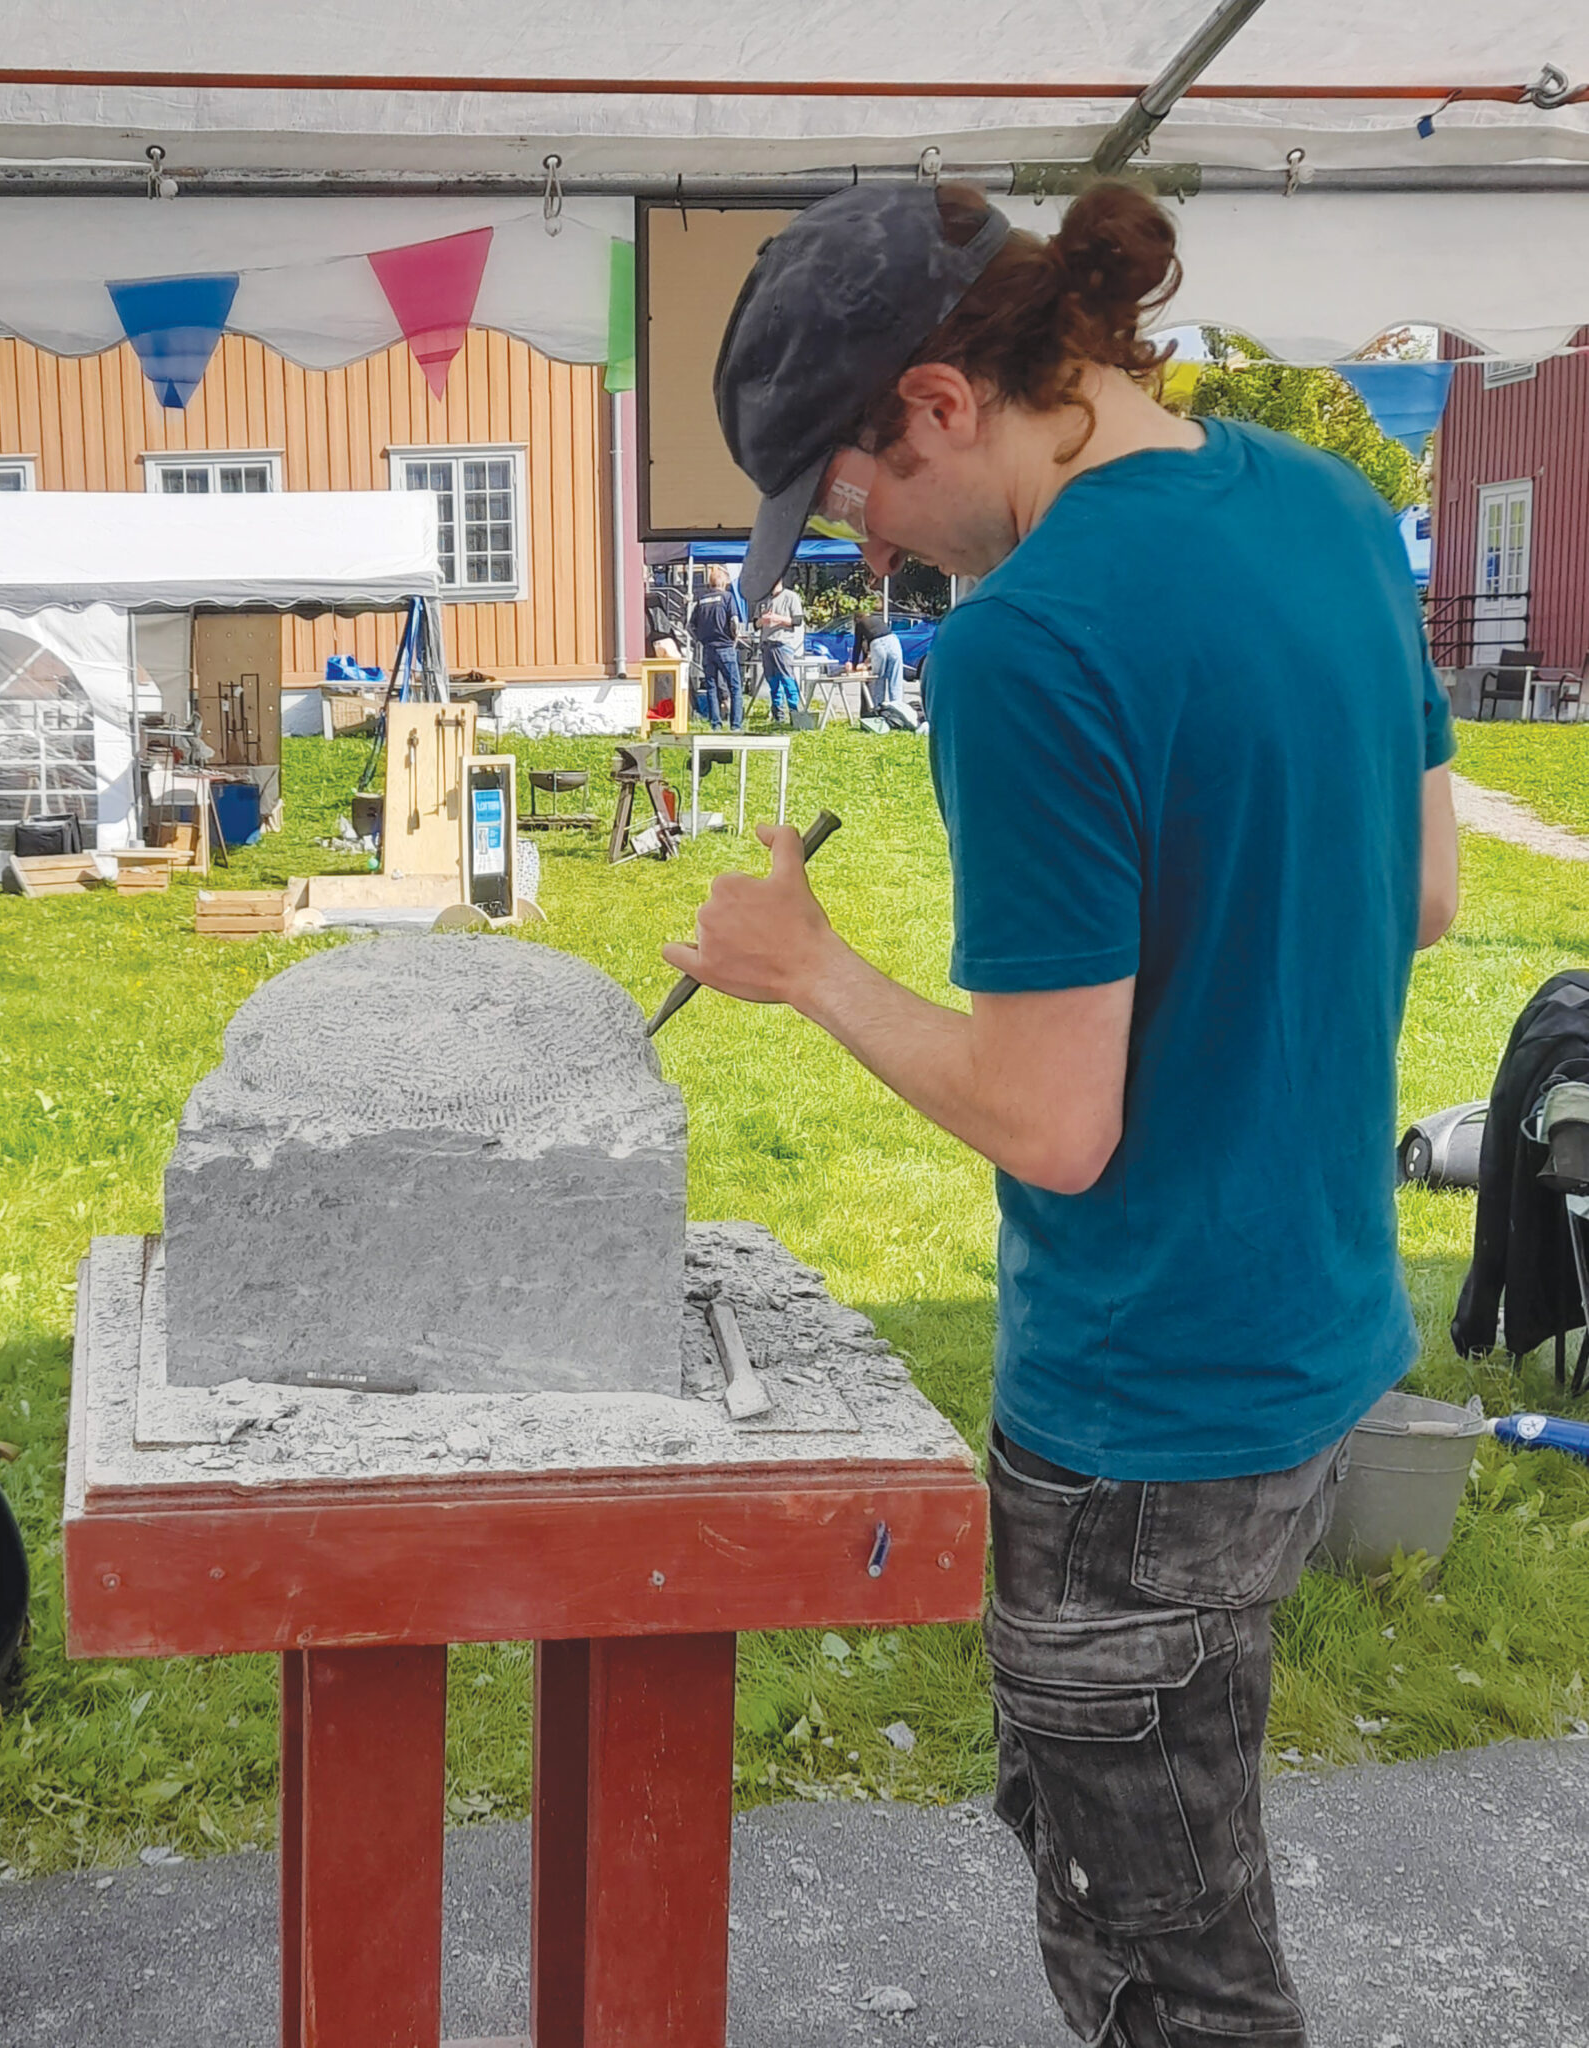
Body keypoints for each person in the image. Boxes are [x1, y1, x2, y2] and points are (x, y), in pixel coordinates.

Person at [671, 178, 1458, 2048]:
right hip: (1315, 1331)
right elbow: (1422, 892)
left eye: (849, 493)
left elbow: (1052, 1123)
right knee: (1160, 1840)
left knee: (1164, 1963)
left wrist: (812, 966)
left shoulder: (1029, 647)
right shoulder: (1333, 510)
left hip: (1142, 1406)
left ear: (939, 400)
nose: (864, 552)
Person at [688, 564, 745, 731]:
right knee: (735, 687)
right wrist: (734, 638)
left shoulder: (701, 600)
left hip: (708, 649)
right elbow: (734, 622)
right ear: (724, 582)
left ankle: (716, 724)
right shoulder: (727, 598)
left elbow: (690, 626)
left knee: (711, 688)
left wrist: (699, 639)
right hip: (725, 647)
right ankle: (735, 725)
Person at [754, 568, 805, 724]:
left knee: (787, 679)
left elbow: (797, 621)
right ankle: (778, 715)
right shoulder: (763, 600)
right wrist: (762, 621)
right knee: (772, 681)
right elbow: (755, 623)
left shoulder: (790, 597)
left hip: (782, 644)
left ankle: (795, 715)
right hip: (766, 644)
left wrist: (778, 619)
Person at [847, 607, 904, 714]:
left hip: (878, 644)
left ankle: (878, 710)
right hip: (893, 641)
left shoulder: (860, 624)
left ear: (856, 619)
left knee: (878, 678)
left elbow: (857, 645)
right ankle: (898, 711)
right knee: (895, 677)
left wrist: (854, 666)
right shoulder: (877, 619)